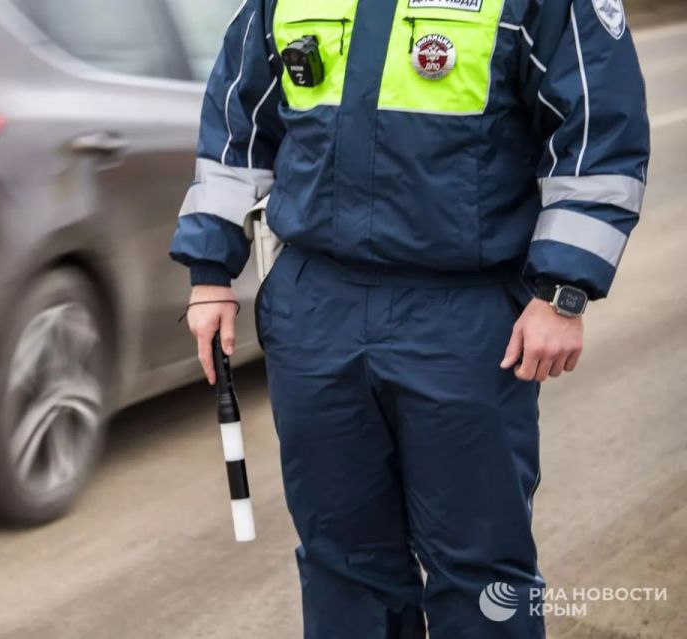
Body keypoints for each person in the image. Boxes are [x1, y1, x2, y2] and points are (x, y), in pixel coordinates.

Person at [169, 0, 649, 636]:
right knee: (343, 563)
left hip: (463, 316)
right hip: (318, 310)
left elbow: (598, 139)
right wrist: (209, 275)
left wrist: (563, 290)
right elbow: (236, 130)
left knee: (479, 567)